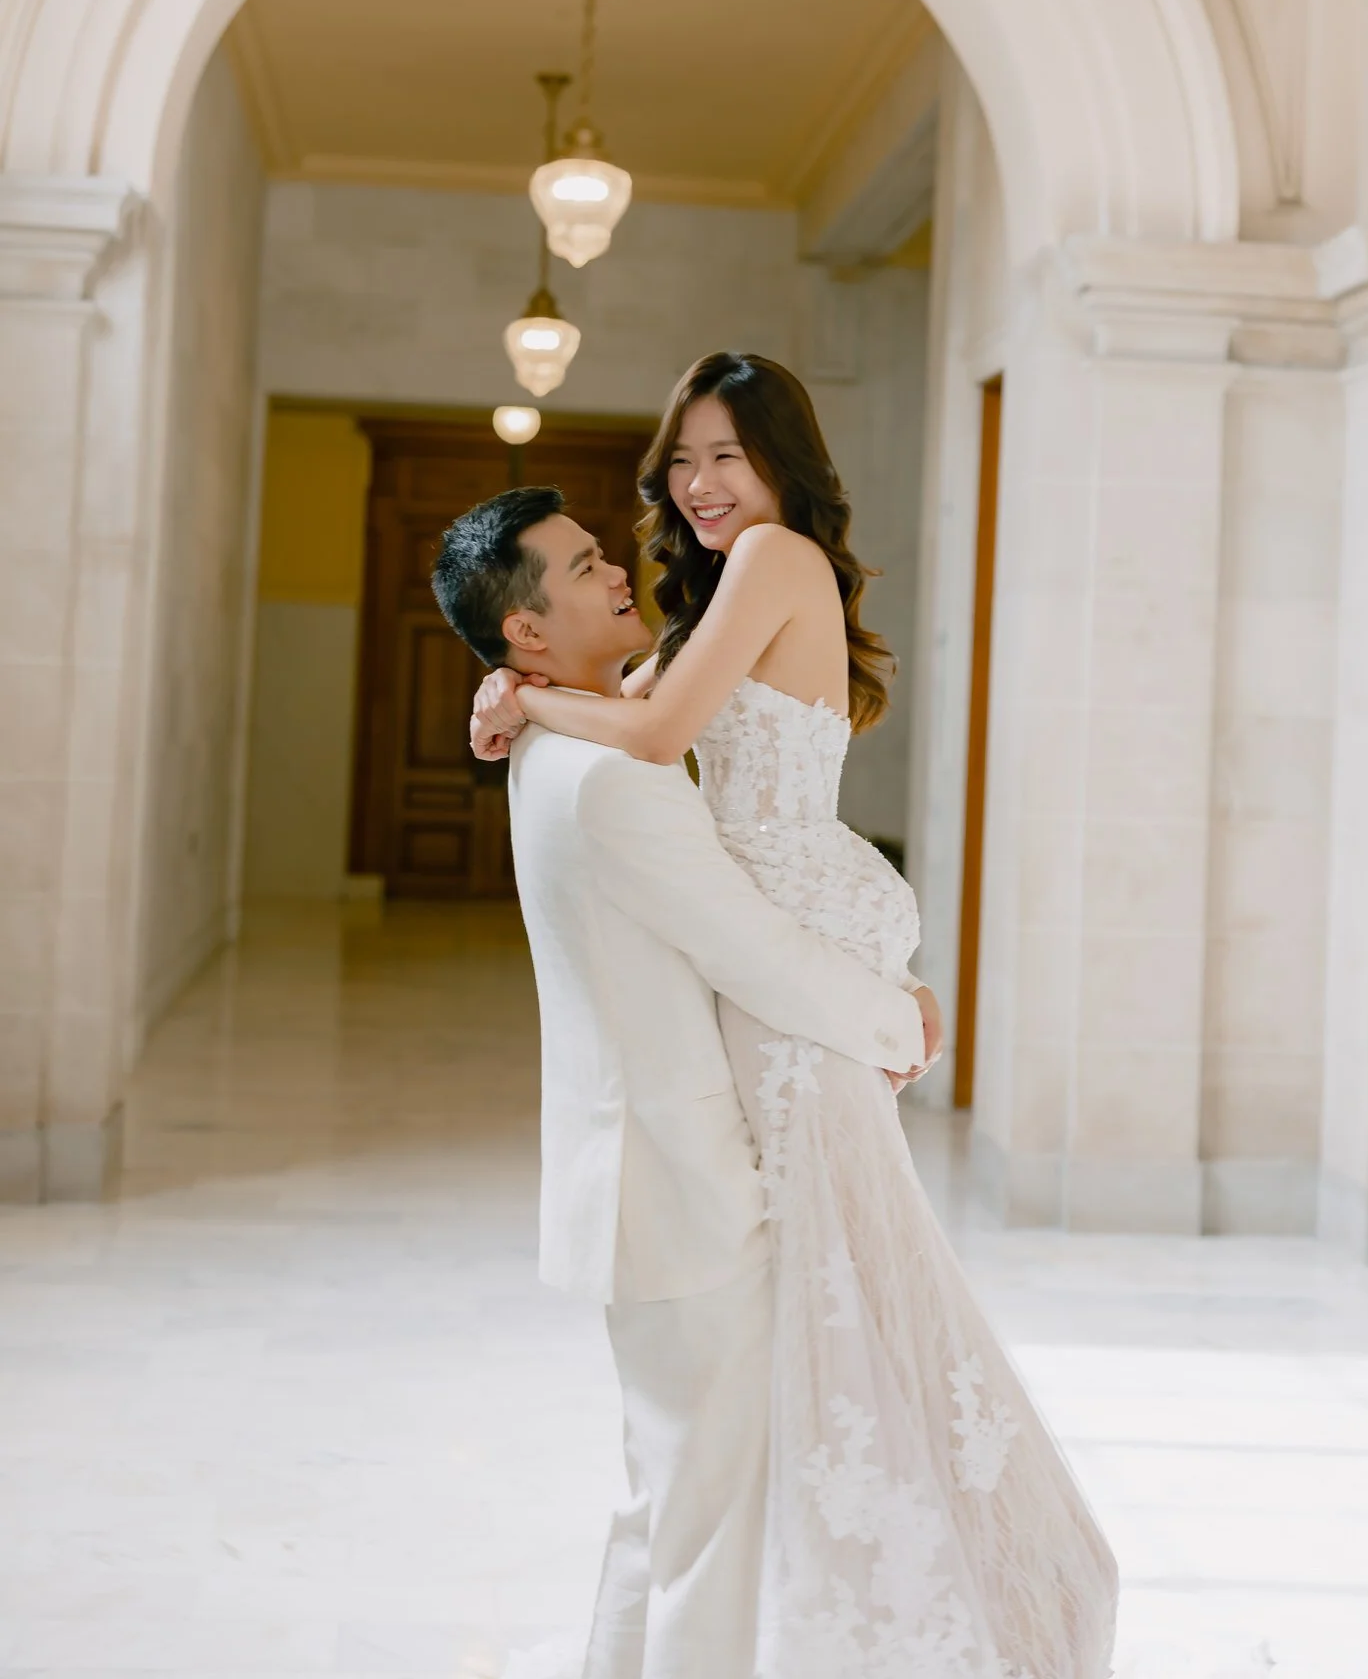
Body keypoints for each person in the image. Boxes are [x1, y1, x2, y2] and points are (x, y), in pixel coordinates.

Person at [469, 354, 1120, 1679]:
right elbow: (646, 715)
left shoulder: (770, 558)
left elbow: (650, 740)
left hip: (793, 931)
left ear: (778, 468)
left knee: (854, 1289)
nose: (699, 485)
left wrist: (519, 696)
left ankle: (997, 1582)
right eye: (682, 460)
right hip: (777, 941)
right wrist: (515, 686)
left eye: (726, 456)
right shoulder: (715, 598)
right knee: (826, 1306)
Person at [430, 484, 938, 1679]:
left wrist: (516, 697)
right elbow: (744, 946)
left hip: (646, 1189)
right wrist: (892, 1019)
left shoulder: (573, 740)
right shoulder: (609, 778)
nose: (619, 571)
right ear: (529, 631)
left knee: (668, 1506)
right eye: (587, 565)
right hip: (676, 1191)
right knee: (708, 1528)